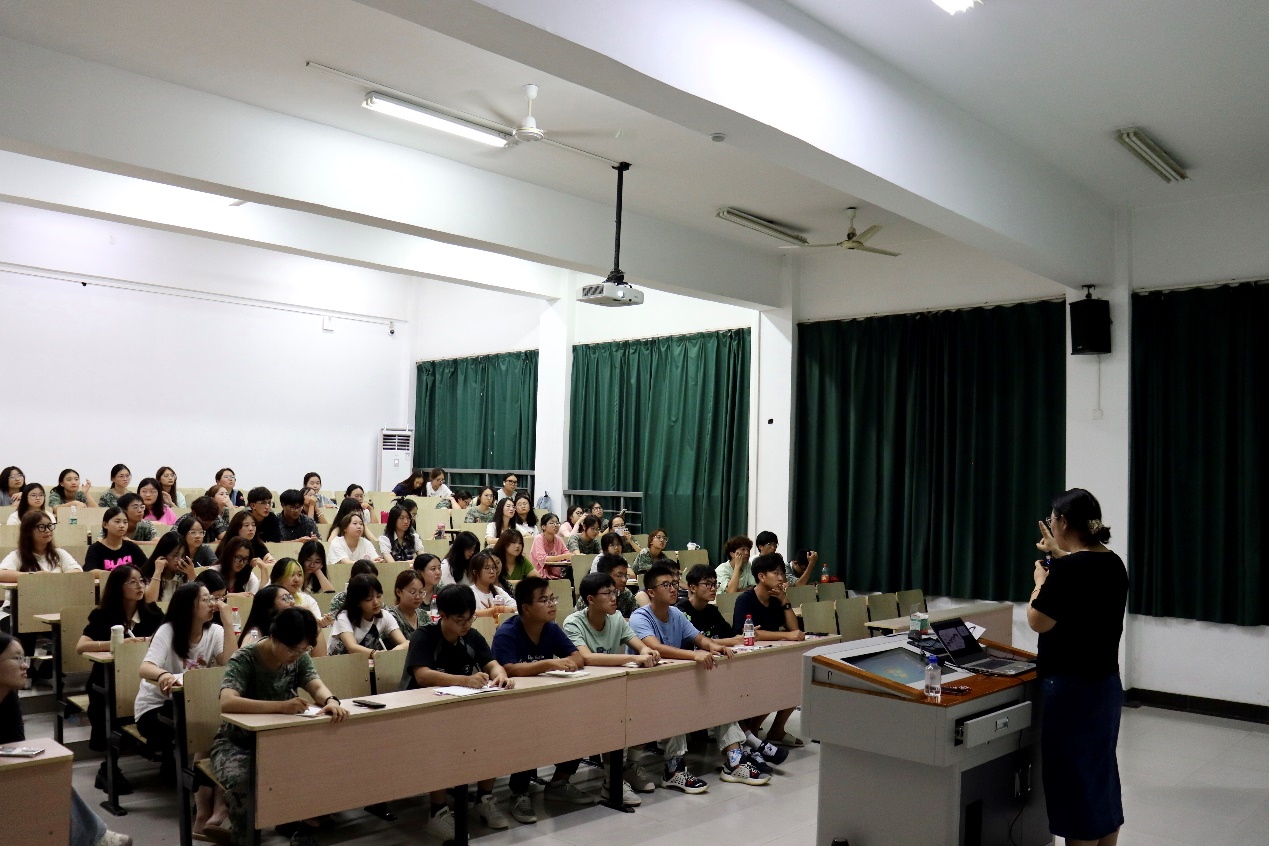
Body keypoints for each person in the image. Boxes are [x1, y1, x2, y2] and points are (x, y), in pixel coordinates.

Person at [1029, 489, 1127, 846]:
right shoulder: (1113, 563)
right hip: (1105, 686)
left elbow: (1038, 621)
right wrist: (1059, 556)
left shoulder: (1067, 571)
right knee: (1099, 775)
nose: (1051, 524)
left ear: (1063, 521)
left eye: (1052, 519)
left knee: (1073, 783)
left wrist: (1041, 583)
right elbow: (1083, 578)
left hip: (1071, 690)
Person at [212, 608, 348, 846]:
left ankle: (300, 828)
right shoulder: (245, 658)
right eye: (292, 650)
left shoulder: (298, 656)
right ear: (274, 637)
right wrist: (281, 707)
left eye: (303, 650)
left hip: (281, 741)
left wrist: (331, 701)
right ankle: (243, 838)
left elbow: (315, 685)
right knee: (246, 781)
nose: (296, 655)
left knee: (323, 766)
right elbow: (228, 702)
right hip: (238, 743)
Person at [630, 563, 770, 791]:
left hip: (673, 682)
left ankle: (734, 760)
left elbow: (698, 638)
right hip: (645, 686)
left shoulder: (676, 614)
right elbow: (656, 648)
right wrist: (694, 655)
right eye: (666, 585)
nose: (673, 589)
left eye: (674, 584)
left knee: (718, 696)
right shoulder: (640, 617)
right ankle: (673, 770)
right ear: (651, 592)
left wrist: (714, 646)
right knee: (676, 702)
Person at [0, 632, 135, 846]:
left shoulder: (9, 699)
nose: (25, 665)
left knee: (47, 777)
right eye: (17, 659)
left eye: (25, 658)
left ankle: (94, 837)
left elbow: (15, 748)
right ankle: (97, 838)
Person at [401, 584, 513, 840]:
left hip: (461, 708)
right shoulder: (424, 636)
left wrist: (501, 676)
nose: (466, 625)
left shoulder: (472, 636)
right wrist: (464, 680)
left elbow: (493, 664)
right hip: (421, 710)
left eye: (470, 619)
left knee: (492, 735)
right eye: (460, 620)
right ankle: (437, 811)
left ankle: (484, 798)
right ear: (442, 615)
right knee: (442, 743)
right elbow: (422, 675)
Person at [492, 576, 598, 822]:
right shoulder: (507, 632)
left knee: (580, 723)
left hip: (548, 700)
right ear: (526, 608)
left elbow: (577, 657)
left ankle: (559, 783)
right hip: (513, 706)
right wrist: (549, 663)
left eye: (552, 599)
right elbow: (508, 668)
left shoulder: (551, 628)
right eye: (544, 600)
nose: (552, 604)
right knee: (529, 732)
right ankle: (519, 793)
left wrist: (566, 663)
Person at [135, 580, 232, 834]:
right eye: (205, 599)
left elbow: (230, 665)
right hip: (156, 709)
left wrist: (228, 624)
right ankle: (205, 812)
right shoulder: (168, 630)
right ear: (188, 606)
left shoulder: (215, 631)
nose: (212, 604)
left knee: (223, 730)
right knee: (207, 731)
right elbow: (145, 668)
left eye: (213, 599)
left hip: (192, 707)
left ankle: (217, 807)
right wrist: (164, 675)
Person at [563, 570, 662, 805]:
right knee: (610, 719)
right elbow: (587, 658)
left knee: (645, 709)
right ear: (590, 599)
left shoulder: (616, 618)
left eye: (614, 592)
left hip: (612, 687)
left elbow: (638, 645)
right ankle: (611, 781)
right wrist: (634, 658)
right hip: (580, 691)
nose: (613, 597)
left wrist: (648, 651)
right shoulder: (573, 622)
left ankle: (630, 767)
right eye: (607, 593)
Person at [682, 564, 793, 763]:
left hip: (715, 670)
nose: (713, 588)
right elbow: (693, 643)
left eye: (715, 584)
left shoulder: (712, 611)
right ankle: (751, 744)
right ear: (692, 587)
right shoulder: (682, 611)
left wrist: (736, 639)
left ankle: (747, 745)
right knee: (725, 695)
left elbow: (731, 636)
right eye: (707, 584)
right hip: (691, 672)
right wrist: (731, 641)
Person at [76, 564, 163, 790]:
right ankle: (108, 768)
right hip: (108, 681)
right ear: (118, 587)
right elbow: (81, 646)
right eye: (132, 582)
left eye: (141, 581)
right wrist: (118, 644)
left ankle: (169, 760)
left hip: (144, 679)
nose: (140, 586)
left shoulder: (152, 613)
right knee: (111, 701)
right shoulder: (103, 615)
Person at [1, 511, 82, 627]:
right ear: (28, 531)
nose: (48, 530)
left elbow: (77, 571)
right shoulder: (17, 555)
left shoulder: (59, 553)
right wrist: (33, 577)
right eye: (41, 527)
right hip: (17, 611)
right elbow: (2, 574)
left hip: (52, 607)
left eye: (50, 526)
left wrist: (53, 578)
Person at [328, 574, 407, 656]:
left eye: (379, 596)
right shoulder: (344, 617)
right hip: (338, 662)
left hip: (367, 661)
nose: (376, 602)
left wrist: (389, 654)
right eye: (369, 599)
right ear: (357, 602)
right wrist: (376, 654)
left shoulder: (385, 616)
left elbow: (405, 643)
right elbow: (352, 647)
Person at [269, 559, 329, 649]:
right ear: (278, 578)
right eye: (291, 575)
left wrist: (320, 623)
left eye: (299, 575)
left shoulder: (308, 600)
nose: (296, 579)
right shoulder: (269, 599)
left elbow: (315, 629)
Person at [84, 507, 149, 572]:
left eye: (125, 522)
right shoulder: (95, 548)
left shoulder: (131, 546)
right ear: (105, 524)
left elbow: (147, 567)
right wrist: (116, 575)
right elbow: (90, 571)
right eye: (117, 522)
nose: (122, 525)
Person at [141, 532, 197, 604]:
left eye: (183, 556)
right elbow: (150, 602)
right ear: (163, 555)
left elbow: (197, 601)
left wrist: (192, 575)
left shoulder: (184, 575)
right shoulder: (146, 576)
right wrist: (157, 572)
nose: (179, 560)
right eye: (175, 555)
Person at [577, 553, 638, 618]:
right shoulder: (592, 595)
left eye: (626, 575)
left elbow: (637, 617)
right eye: (619, 575)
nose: (624, 580)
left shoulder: (626, 594)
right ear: (605, 575)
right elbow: (578, 620)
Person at [217, 511, 275, 576]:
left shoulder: (257, 544)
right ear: (236, 528)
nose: (251, 529)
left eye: (253, 525)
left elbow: (272, 562)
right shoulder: (228, 546)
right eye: (246, 525)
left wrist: (262, 564)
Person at [467, 550, 516, 619]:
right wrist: (490, 612)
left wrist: (502, 609)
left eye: (493, 567)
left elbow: (516, 608)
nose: (492, 571)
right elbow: (467, 616)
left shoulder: (498, 590)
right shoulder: (469, 593)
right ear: (475, 572)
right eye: (487, 568)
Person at [387, 569, 432, 640]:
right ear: (398, 592)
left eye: (421, 592)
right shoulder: (391, 617)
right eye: (412, 592)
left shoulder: (424, 615)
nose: (418, 597)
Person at [529, 512, 570, 579]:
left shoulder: (558, 539)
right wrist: (563, 556)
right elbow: (543, 559)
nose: (555, 525)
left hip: (556, 575)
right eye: (552, 523)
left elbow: (567, 554)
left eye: (557, 523)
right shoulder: (539, 538)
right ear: (543, 527)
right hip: (539, 575)